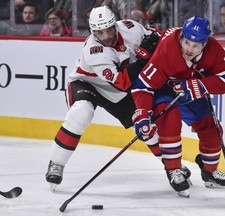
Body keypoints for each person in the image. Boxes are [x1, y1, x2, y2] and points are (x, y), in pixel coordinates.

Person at [45, 6, 191, 194]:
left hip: (118, 92)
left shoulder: (132, 28)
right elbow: (122, 81)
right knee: (81, 113)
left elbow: (159, 39)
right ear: (92, 32)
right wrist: (142, 58)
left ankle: (172, 167)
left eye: (108, 29)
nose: (105, 36)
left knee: (147, 125)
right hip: (88, 84)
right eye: (99, 32)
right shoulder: (93, 51)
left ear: (115, 25)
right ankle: (56, 163)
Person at [131, 16, 225, 196]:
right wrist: (142, 114)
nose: (189, 49)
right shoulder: (167, 48)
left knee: (212, 127)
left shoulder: (213, 50)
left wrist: (199, 85)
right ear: (181, 38)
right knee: (170, 120)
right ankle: (173, 170)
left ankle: (209, 172)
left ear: (205, 44)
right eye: (186, 43)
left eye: (196, 46)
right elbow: (143, 86)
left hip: (188, 87)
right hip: (163, 87)